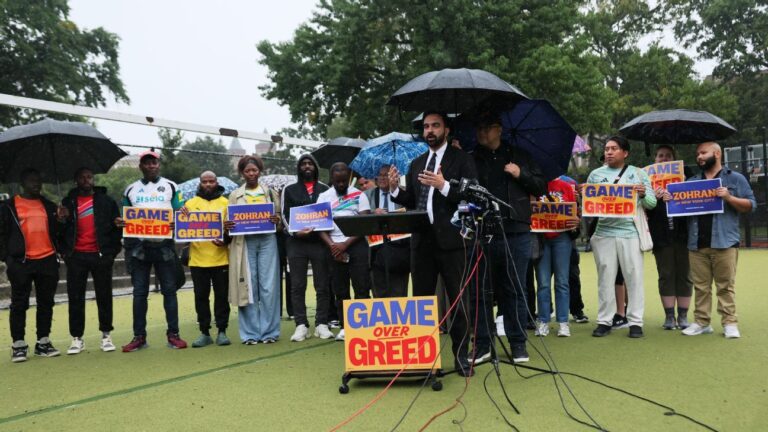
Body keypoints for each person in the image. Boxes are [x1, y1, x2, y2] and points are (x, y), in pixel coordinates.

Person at [388, 112, 478, 377]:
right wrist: (394, 190)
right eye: (426, 126)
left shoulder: (462, 159)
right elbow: (413, 201)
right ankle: (423, 358)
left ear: (446, 130)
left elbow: (471, 194)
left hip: (453, 241)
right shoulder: (416, 163)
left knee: (458, 300)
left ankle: (461, 357)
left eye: (435, 126)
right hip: (422, 243)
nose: (430, 130)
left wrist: (443, 185)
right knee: (421, 303)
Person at [470, 111, 547, 364]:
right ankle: (483, 344)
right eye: (479, 128)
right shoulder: (471, 158)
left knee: (515, 288)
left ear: (499, 129)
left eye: (487, 127)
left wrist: (520, 173)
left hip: (516, 230)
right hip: (482, 232)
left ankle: (518, 343)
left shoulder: (520, 156)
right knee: (481, 290)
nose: (482, 132)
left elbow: (541, 187)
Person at [680, 142, 755, 338]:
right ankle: (701, 322)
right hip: (697, 243)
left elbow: (750, 205)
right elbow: (681, 209)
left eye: (703, 153)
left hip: (725, 242)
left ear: (717, 153)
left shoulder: (735, 178)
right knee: (700, 287)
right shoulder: (692, 181)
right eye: (697, 154)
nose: (699, 157)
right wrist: (673, 200)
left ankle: (730, 323)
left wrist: (729, 197)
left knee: (725, 286)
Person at [119, 150, 187, 352]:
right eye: (147, 163)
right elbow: (124, 217)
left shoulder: (171, 186)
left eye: (154, 162)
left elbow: (180, 212)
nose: (151, 166)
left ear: (159, 165)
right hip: (139, 247)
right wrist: (120, 221)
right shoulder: (130, 189)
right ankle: (139, 337)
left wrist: (179, 219)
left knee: (169, 291)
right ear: (140, 166)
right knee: (139, 293)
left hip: (164, 245)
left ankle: (173, 335)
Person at [588, 136, 656, 338]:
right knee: (605, 279)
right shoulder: (595, 174)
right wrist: (583, 195)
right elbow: (589, 206)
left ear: (625, 153)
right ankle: (604, 321)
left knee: (634, 278)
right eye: (607, 149)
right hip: (604, 233)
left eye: (614, 148)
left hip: (630, 233)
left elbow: (652, 203)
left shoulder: (639, 174)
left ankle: (635, 322)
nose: (609, 152)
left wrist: (642, 194)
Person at [0, 168, 66, 362]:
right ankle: (18, 344)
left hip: (47, 260)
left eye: (38, 181)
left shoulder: (49, 205)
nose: (36, 184)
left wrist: (61, 219)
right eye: (32, 181)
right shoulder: (8, 206)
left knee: (46, 302)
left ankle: (43, 342)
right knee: (19, 303)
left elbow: (58, 232)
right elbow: (2, 233)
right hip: (21, 262)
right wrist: (7, 258)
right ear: (22, 183)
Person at [59, 167, 122, 354]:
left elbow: (117, 226)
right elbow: (60, 231)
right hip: (76, 256)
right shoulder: (67, 202)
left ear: (93, 179)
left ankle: (106, 335)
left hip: (100, 256)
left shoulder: (107, 201)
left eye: (89, 177)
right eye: (82, 177)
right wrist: (61, 221)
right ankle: (77, 338)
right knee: (75, 297)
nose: (86, 180)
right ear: (76, 180)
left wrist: (111, 252)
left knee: (104, 296)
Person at [228, 156, 282, 344]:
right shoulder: (235, 195)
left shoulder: (270, 193)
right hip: (245, 242)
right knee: (248, 286)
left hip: (267, 240)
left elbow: (279, 221)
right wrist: (228, 225)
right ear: (242, 173)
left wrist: (277, 221)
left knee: (269, 286)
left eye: (254, 170)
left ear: (260, 171)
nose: (251, 174)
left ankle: (270, 332)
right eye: (247, 171)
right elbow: (229, 221)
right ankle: (250, 334)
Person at [281, 154, 334, 341]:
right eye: (303, 164)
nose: (307, 166)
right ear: (299, 168)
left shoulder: (325, 189)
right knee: (297, 285)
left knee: (322, 284)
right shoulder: (289, 189)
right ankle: (301, 325)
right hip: (297, 244)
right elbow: (284, 215)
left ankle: (322, 323)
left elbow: (331, 213)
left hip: (320, 242)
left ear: (315, 167)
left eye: (310, 163)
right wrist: (296, 233)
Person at [318, 162, 372, 341]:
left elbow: (364, 224)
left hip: (356, 246)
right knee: (340, 291)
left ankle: (364, 327)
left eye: (343, 181)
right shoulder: (323, 197)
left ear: (349, 178)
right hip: (333, 247)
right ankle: (345, 327)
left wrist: (345, 244)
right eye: (337, 181)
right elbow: (319, 226)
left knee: (362, 287)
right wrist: (333, 246)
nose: (341, 184)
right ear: (332, 179)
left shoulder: (360, 195)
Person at [181, 171, 232, 347]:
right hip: (197, 259)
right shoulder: (190, 204)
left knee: (222, 297)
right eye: (205, 181)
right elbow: (182, 229)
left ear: (217, 182)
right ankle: (204, 332)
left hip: (221, 258)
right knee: (201, 297)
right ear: (200, 183)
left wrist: (225, 238)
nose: (208, 184)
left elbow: (233, 230)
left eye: (211, 181)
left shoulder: (226, 203)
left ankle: (222, 331)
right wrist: (181, 216)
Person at [647, 145, 692, 330]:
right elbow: (643, 206)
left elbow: (694, 199)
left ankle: (683, 315)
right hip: (661, 235)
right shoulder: (647, 179)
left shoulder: (686, 175)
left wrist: (680, 191)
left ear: (674, 159)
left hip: (684, 234)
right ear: (655, 160)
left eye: (668, 156)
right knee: (665, 274)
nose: (664, 159)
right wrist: (654, 198)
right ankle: (669, 316)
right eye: (660, 156)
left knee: (685, 274)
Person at [534, 177, 579, 337]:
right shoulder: (535, 185)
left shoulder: (566, 186)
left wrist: (575, 220)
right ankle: (543, 321)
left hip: (562, 237)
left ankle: (563, 322)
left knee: (562, 281)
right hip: (541, 237)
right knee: (543, 283)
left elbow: (574, 212)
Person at [364, 164, 411, 298]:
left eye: (387, 175)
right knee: (379, 294)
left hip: (400, 250)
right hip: (376, 250)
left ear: (395, 178)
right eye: (380, 175)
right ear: (376, 178)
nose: (383, 178)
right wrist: (373, 212)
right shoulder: (367, 195)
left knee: (399, 293)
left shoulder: (404, 193)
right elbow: (360, 216)